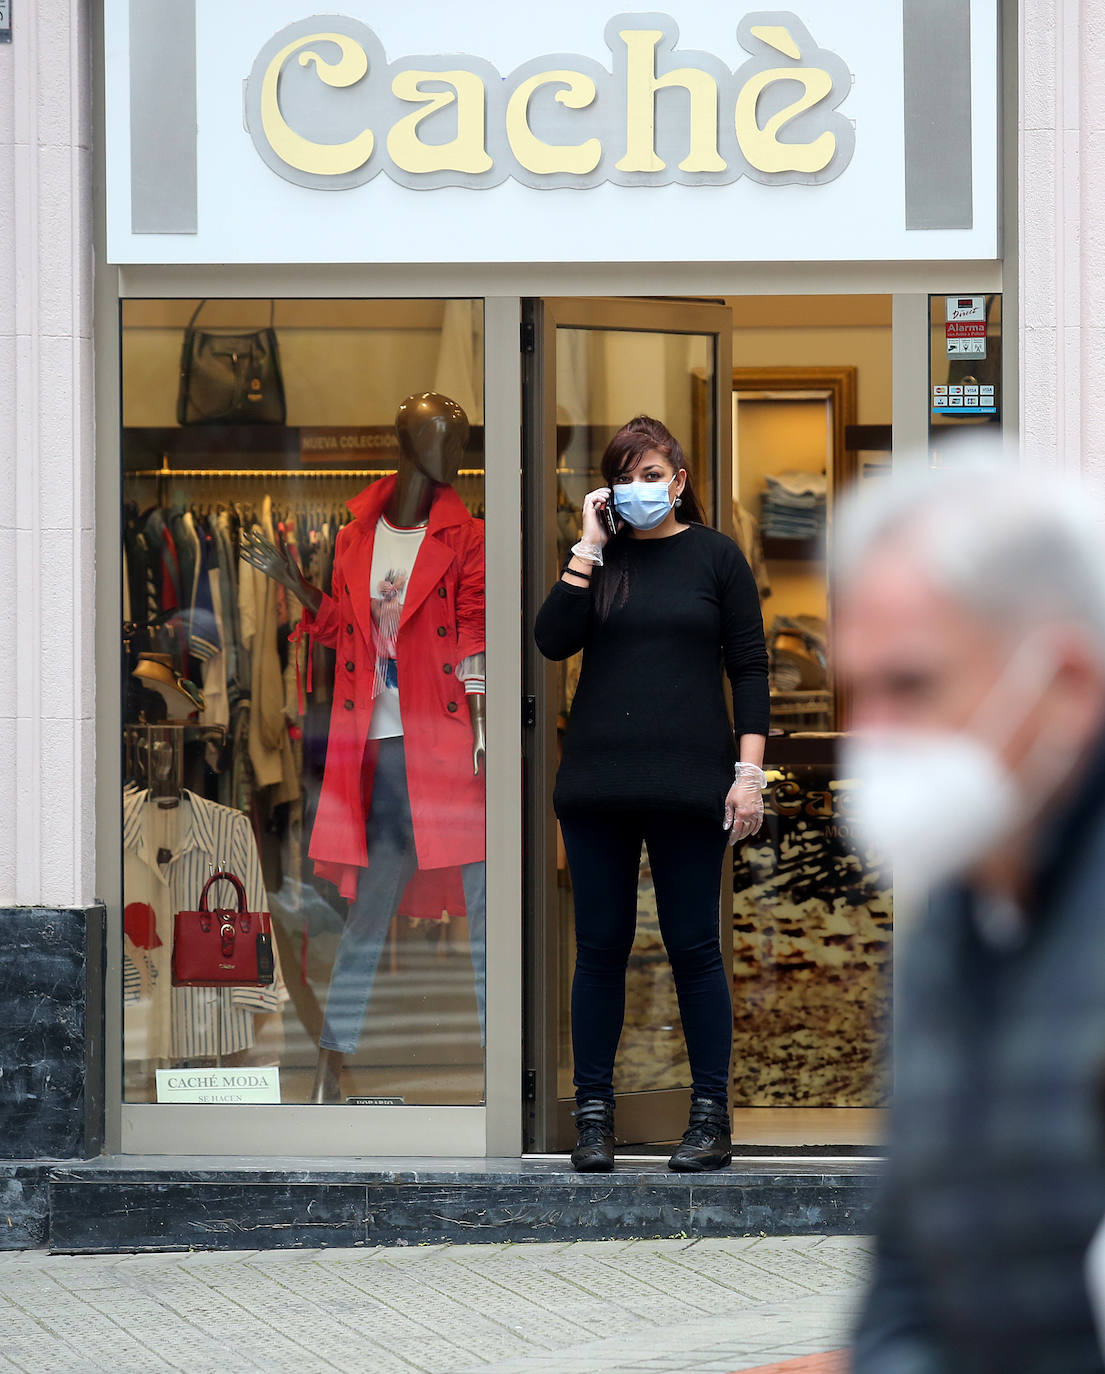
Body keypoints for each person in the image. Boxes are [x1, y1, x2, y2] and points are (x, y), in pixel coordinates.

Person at [835, 468, 1105, 1373]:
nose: (871, 735)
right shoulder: (952, 915)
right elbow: (911, 1270)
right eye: (856, 692)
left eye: (910, 686)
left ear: (1063, 683)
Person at [534, 415, 770, 1173]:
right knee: (598, 952)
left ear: (679, 479)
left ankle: (708, 1116)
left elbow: (750, 669)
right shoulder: (597, 562)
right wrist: (587, 547)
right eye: (623, 477)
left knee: (693, 949)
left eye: (650, 475)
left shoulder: (715, 557)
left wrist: (748, 774)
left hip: (690, 784)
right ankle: (594, 1115)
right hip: (599, 783)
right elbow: (551, 639)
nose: (638, 490)